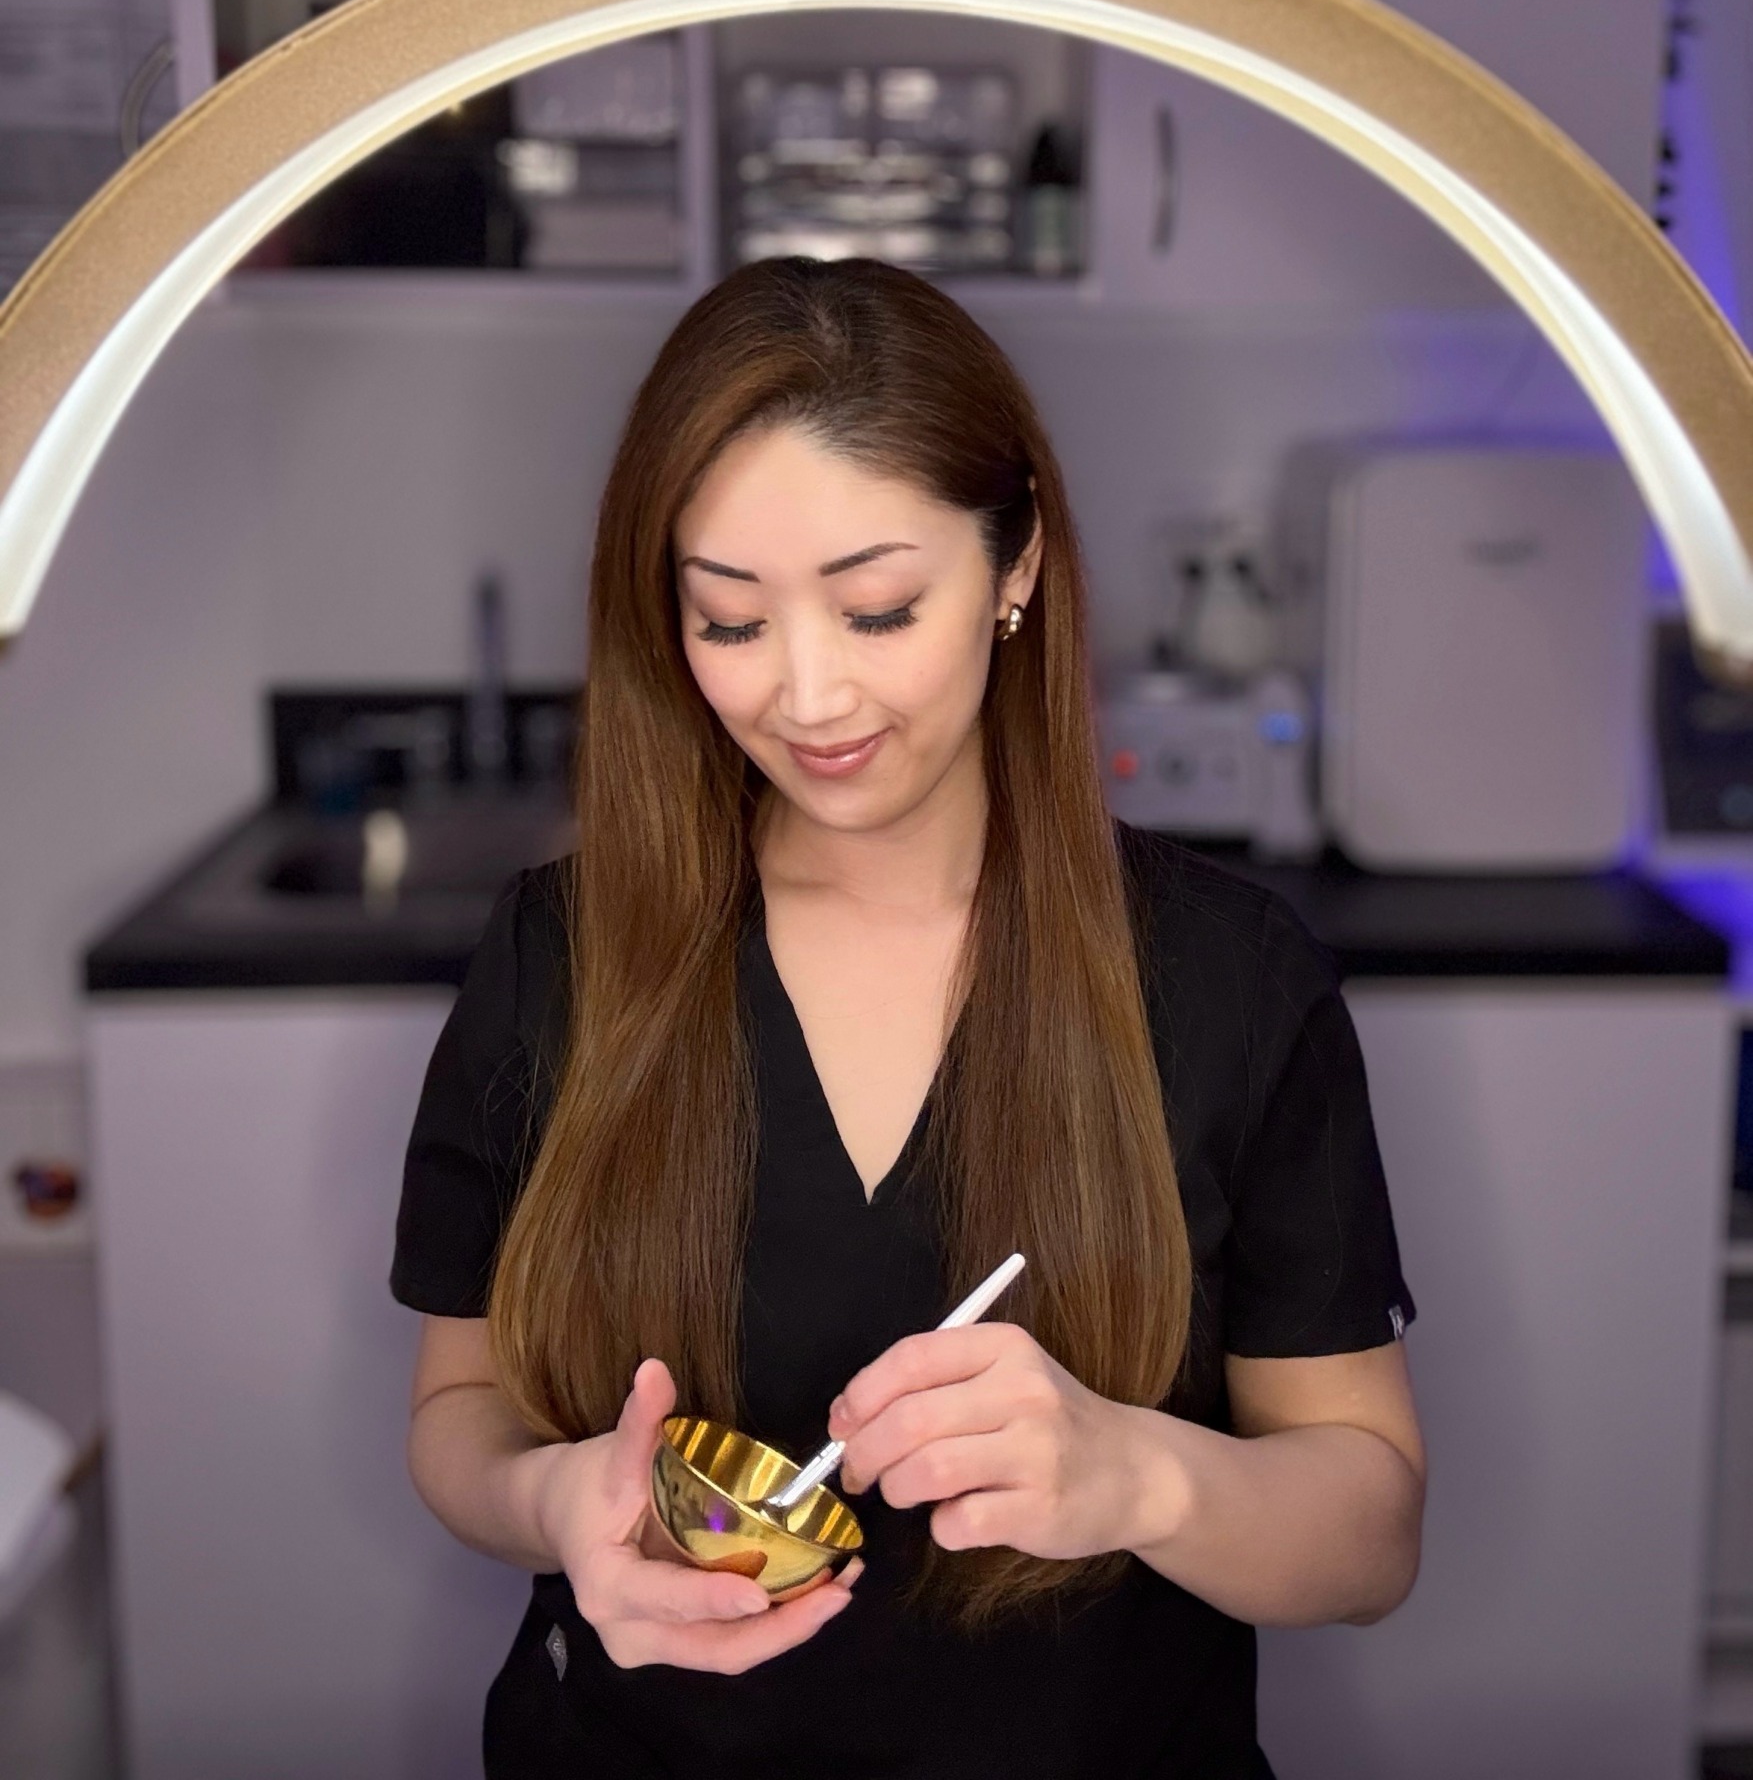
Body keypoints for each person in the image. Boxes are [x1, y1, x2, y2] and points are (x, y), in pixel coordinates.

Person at [390, 256, 1424, 1779]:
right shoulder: (563, 956)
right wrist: (554, 1503)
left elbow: (1372, 1534)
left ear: (1015, 568)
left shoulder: (1229, 980)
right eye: (729, 622)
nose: (807, 697)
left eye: (877, 610)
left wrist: (1137, 1475)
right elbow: (461, 1408)